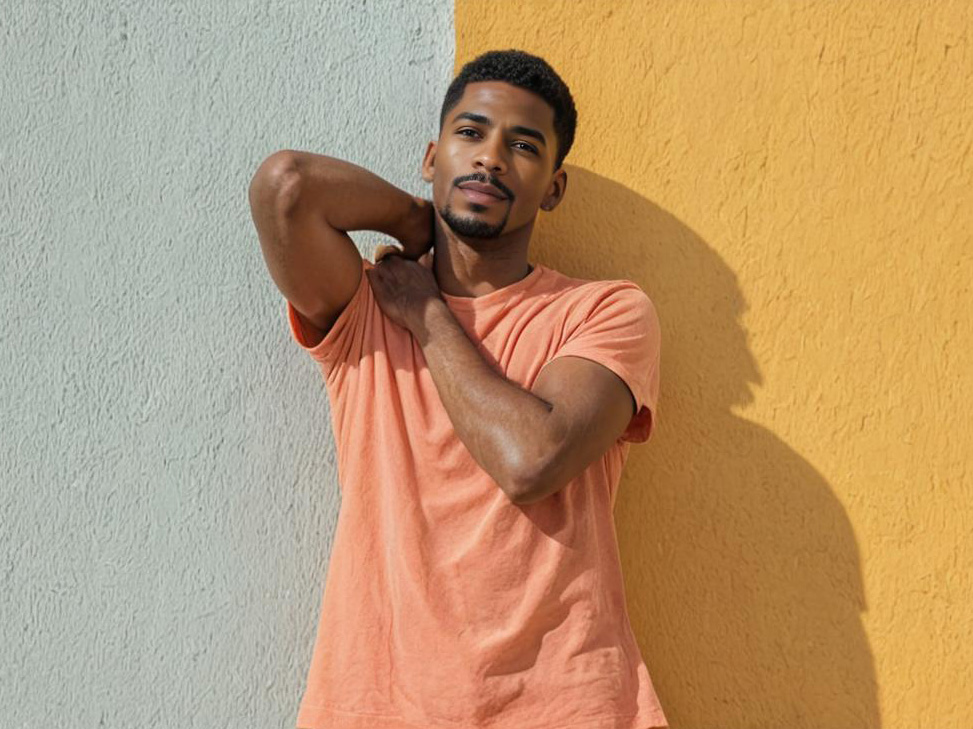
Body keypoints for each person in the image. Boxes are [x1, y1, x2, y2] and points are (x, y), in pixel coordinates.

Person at [248, 49, 668, 729]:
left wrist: (429, 315)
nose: (491, 158)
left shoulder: (602, 312)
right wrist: (417, 226)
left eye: (522, 145)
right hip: (377, 705)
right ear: (430, 156)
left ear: (553, 188)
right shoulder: (364, 308)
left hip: (564, 707)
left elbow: (531, 458)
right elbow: (285, 187)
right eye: (469, 134)